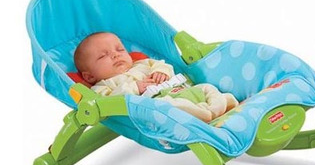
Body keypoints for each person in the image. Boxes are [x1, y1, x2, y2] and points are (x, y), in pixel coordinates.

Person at [74, 32, 238, 122]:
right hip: (160, 106)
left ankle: (225, 104)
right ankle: (207, 115)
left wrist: (162, 72)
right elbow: (108, 103)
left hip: (183, 91)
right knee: (167, 104)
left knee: (206, 87)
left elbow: (164, 65)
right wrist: (134, 87)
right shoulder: (103, 86)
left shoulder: (142, 63)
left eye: (120, 49)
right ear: (89, 77)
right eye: (103, 56)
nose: (115, 55)